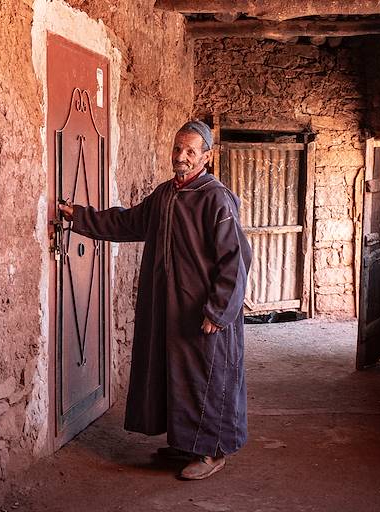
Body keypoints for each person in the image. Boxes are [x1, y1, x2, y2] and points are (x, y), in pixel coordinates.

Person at [57, 120, 251, 480]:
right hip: (170, 308)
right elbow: (128, 222)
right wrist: (79, 216)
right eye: (178, 148)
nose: (181, 156)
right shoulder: (165, 194)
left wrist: (218, 311)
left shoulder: (216, 198)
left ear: (207, 157)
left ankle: (211, 452)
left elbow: (235, 260)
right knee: (176, 375)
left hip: (202, 312)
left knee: (205, 377)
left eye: (191, 151)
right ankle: (186, 443)